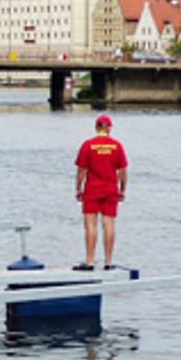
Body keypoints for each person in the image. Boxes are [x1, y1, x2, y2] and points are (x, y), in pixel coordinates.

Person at [74, 115, 127, 270]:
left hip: (92, 189)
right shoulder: (117, 146)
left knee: (91, 225)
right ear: (109, 128)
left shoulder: (87, 145)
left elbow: (81, 171)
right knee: (108, 224)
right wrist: (122, 189)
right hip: (110, 189)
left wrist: (78, 188)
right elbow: (122, 171)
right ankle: (108, 262)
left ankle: (90, 261)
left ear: (96, 128)